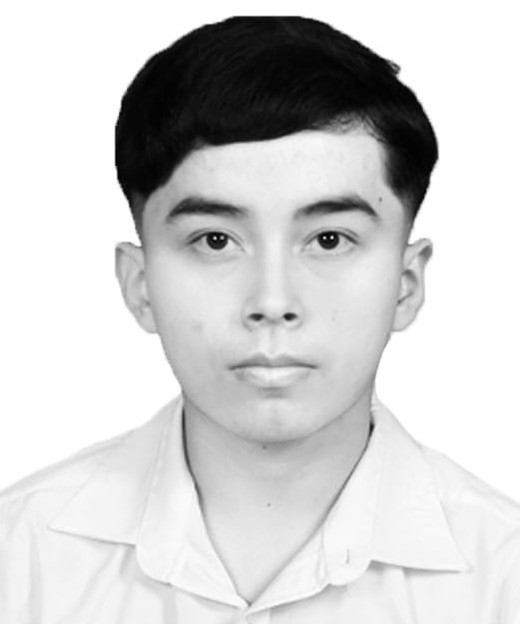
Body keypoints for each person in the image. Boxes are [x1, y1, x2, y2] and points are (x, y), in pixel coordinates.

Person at [0, 15, 518, 623]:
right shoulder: (20, 560)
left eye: (329, 239)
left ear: (406, 284)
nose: (272, 301)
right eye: (216, 240)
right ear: (139, 286)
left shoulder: (504, 578)